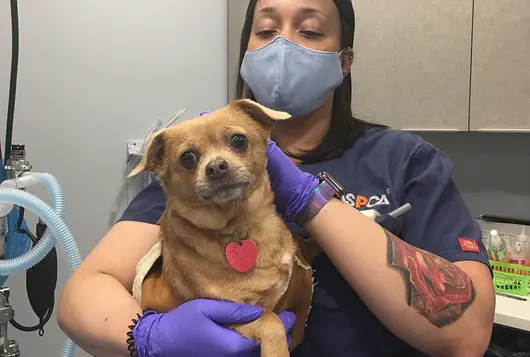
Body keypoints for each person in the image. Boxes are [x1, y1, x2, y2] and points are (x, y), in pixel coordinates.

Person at [57, 0, 496, 356]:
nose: (283, 46)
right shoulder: (191, 176)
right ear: (246, 55)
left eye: (309, 31)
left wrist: (310, 200)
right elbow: (80, 299)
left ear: (345, 61)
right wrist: (148, 338)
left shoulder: (405, 162)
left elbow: (467, 335)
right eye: (266, 32)